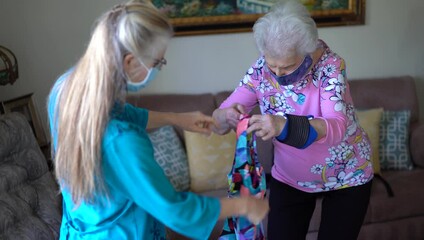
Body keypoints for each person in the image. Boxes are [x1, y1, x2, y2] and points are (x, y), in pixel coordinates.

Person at [47, 1, 269, 239]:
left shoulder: (67, 90)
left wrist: (178, 119)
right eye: (157, 62)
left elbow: (124, 113)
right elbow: (176, 210)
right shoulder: (121, 140)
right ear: (131, 62)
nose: (160, 67)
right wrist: (245, 206)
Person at [212, 1, 373, 239]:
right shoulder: (260, 71)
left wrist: (283, 125)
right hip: (289, 178)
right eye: (271, 64)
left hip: (348, 175)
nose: (276, 74)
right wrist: (225, 116)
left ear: (307, 51)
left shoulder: (331, 66)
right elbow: (219, 120)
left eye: (286, 67)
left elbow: (336, 127)